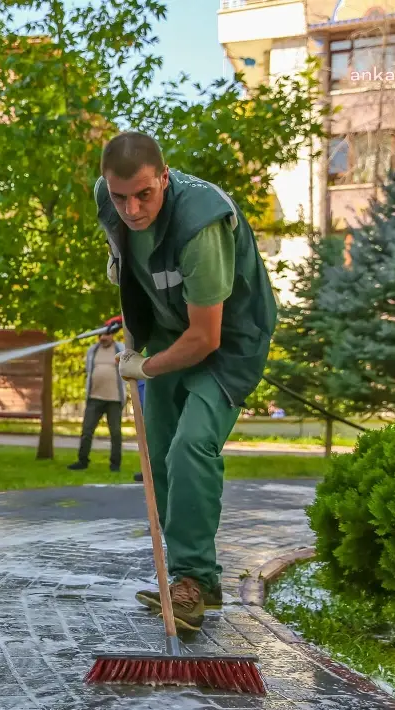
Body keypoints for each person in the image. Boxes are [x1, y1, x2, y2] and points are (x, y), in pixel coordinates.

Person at [94, 131, 277, 632]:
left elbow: (206, 338)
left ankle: (193, 581)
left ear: (165, 178)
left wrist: (145, 368)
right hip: (172, 332)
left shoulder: (200, 224)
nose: (131, 208)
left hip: (226, 342)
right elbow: (131, 256)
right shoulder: (107, 201)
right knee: (158, 456)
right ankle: (188, 576)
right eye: (120, 196)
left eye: (144, 195)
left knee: (190, 446)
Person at [68, 322, 125, 473]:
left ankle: (115, 464)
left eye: (106, 335)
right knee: (87, 431)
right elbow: (89, 370)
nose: (103, 338)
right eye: (100, 336)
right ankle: (82, 461)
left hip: (114, 399)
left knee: (115, 433)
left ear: (112, 335)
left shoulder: (121, 349)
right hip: (94, 397)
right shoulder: (92, 350)